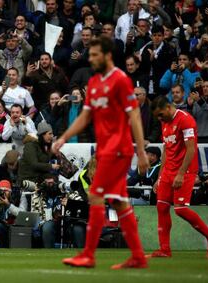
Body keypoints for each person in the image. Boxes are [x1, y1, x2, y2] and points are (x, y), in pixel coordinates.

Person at [52, 36, 149, 269]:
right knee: (118, 201)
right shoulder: (94, 82)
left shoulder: (121, 80)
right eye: (90, 54)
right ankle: (137, 255)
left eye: (95, 54)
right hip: (105, 148)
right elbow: (85, 116)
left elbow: (134, 115)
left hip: (119, 148)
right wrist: (64, 137)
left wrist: (142, 152)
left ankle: (88, 254)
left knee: (95, 193)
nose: (91, 58)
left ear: (107, 56)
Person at [149, 96, 208, 258]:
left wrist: (181, 174)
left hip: (185, 170)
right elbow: (167, 149)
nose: (160, 118)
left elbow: (191, 149)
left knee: (180, 209)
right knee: (161, 206)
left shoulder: (186, 120)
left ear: (168, 107)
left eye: (161, 114)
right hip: (168, 170)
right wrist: (160, 176)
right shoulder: (164, 121)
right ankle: (165, 249)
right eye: (157, 116)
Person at [0, 180, 27, 248]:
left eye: (6, 190)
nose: (3, 193)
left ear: (10, 192)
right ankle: (3, 247)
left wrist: (8, 204)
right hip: (3, 226)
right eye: (1, 190)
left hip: (16, 226)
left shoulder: (19, 195)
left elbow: (23, 214)